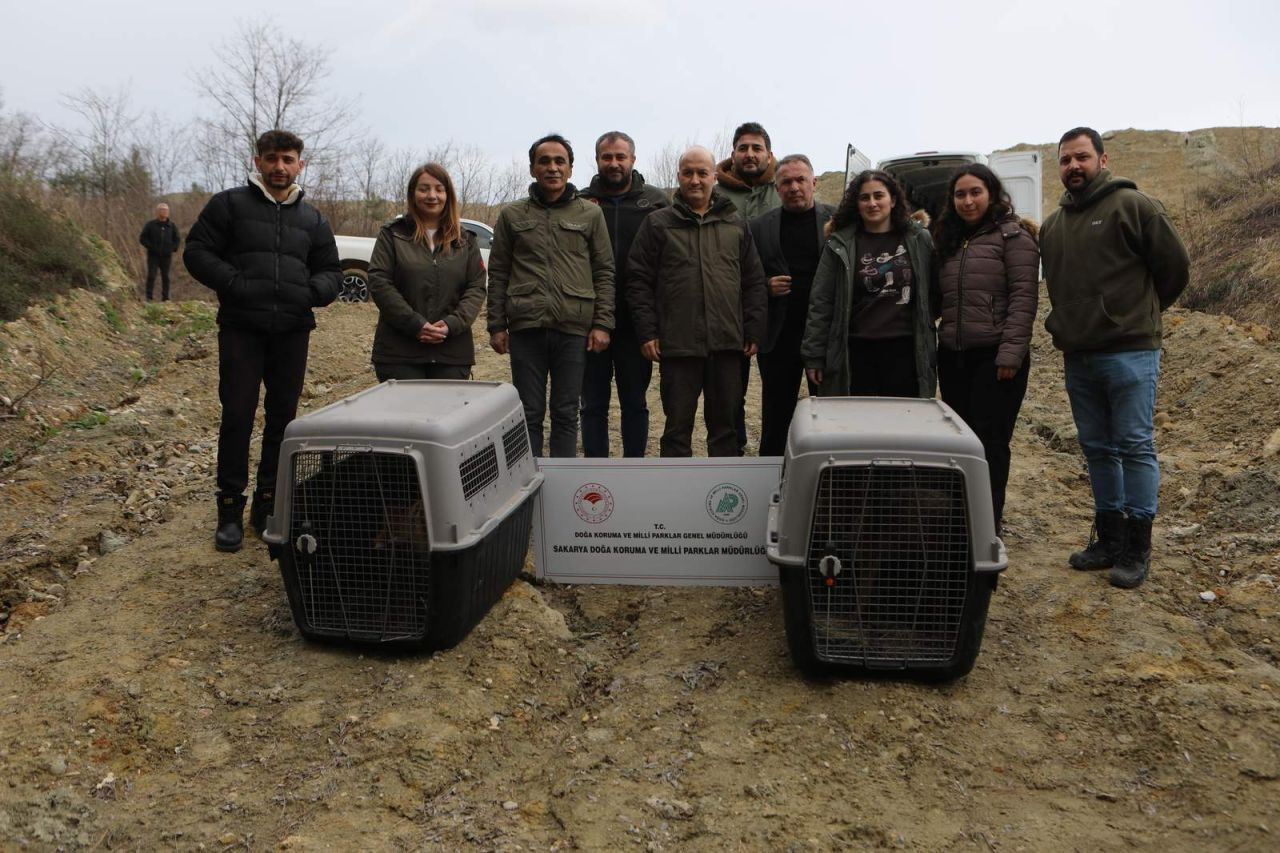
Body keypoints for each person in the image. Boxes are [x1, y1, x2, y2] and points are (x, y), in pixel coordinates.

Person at [1041, 126, 1190, 589]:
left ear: (1103, 160)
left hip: (1129, 351)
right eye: (1066, 160)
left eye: (1082, 157)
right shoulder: (1052, 226)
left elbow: (1175, 269)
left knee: (1134, 445)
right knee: (1098, 449)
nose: (1073, 167)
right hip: (1079, 355)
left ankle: (1137, 547)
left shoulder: (1134, 206)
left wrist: (1138, 316)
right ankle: (1108, 538)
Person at [184, 129, 340, 553]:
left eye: (288, 159)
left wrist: (310, 293)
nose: (279, 167)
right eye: (271, 159)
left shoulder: (313, 218)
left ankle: (267, 504)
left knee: (282, 420)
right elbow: (197, 252)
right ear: (258, 162)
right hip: (241, 327)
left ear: (300, 165)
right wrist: (235, 283)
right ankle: (230, 510)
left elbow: (331, 270)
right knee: (237, 414)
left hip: (292, 330)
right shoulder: (229, 205)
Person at [627, 146, 767, 457]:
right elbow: (638, 281)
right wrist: (648, 332)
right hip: (678, 345)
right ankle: (677, 498)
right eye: (688, 172)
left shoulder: (735, 224)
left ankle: (726, 502)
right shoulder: (657, 224)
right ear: (678, 176)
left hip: (727, 344)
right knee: (677, 430)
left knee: (725, 430)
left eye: (702, 173)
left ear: (714, 177)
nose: (695, 180)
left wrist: (754, 329)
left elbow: (753, 280)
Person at [486, 134, 614, 458]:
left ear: (571, 169)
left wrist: (602, 324)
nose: (552, 168)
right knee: (528, 413)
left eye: (560, 161)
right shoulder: (512, 216)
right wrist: (496, 326)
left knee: (566, 412)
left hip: (574, 328)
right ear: (532, 169)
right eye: (544, 161)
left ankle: (563, 486)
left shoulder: (590, 214)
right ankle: (529, 484)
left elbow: (604, 271)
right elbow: (498, 271)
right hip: (525, 327)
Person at [931, 164, 1040, 531]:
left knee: (991, 443)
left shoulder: (1015, 238)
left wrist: (1011, 354)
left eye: (975, 192)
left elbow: (1024, 300)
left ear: (991, 193)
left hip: (995, 359)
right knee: (960, 443)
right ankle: (961, 520)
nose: (967, 200)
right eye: (960, 194)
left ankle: (987, 525)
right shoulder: (946, 241)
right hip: (954, 356)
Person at [802, 170, 936, 399]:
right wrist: (814, 355)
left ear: (892, 200)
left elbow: (934, 291)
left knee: (901, 426)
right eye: (864, 198)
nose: (872, 203)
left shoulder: (918, 239)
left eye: (878, 196)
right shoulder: (840, 244)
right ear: (856, 203)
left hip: (906, 351)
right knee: (858, 426)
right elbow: (821, 302)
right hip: (855, 350)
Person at [578, 131, 669, 457]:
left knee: (634, 401)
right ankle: (595, 471)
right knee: (592, 404)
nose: (614, 163)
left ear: (633, 159)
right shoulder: (580, 201)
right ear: (598, 159)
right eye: (607, 157)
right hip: (591, 319)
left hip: (637, 322)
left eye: (620, 157)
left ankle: (635, 468)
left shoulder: (657, 201)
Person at [748, 154, 834, 455]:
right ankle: (769, 479)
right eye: (786, 182)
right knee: (775, 417)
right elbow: (744, 277)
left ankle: (826, 480)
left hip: (825, 336)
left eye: (800, 180)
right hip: (779, 337)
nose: (794, 187)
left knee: (828, 416)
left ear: (814, 182)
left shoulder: (837, 221)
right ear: (776, 187)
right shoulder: (758, 227)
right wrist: (765, 287)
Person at [367, 162, 486, 381]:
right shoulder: (392, 234)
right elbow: (379, 282)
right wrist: (415, 324)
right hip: (400, 353)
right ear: (413, 194)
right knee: (403, 416)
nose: (432, 195)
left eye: (439, 189)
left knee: (449, 416)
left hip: (451, 353)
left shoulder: (465, 240)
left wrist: (451, 324)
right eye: (424, 189)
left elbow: (476, 287)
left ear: (447, 195)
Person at [717, 122, 781, 453]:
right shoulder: (716, 195)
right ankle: (734, 451)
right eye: (743, 148)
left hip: (777, 308)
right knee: (731, 390)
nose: (750, 154)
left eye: (757, 148)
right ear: (733, 154)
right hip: (730, 308)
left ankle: (774, 455)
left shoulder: (784, 188)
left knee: (776, 389)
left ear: (769, 154)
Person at [139, 202, 181, 302]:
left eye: (166, 210)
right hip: (153, 256)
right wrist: (151, 247)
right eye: (162, 210)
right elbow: (142, 238)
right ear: (157, 212)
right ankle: (149, 298)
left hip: (166, 256)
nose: (164, 212)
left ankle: (165, 298)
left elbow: (177, 239)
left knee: (166, 277)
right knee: (151, 276)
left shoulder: (172, 226)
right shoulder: (150, 225)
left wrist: (173, 248)